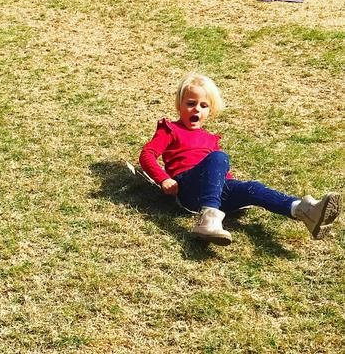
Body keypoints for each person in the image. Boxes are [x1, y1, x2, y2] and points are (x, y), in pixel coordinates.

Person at [139, 72, 341, 245]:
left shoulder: (210, 139)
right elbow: (147, 154)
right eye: (190, 104)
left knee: (252, 187)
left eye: (203, 105)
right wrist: (164, 178)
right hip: (188, 188)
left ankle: (304, 210)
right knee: (219, 157)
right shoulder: (170, 129)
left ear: (210, 110)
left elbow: (220, 173)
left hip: (215, 192)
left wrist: (235, 187)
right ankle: (208, 219)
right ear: (179, 105)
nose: (196, 110)